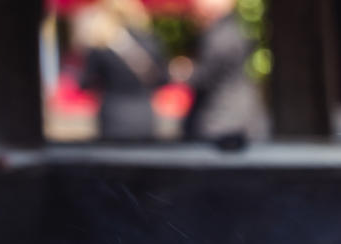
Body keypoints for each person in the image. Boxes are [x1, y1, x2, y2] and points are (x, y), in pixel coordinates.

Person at [75, 0, 167, 141]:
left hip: (113, 113)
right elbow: (162, 79)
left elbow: (86, 82)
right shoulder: (150, 41)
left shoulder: (101, 45)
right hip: (144, 113)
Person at [183, 0, 267, 142]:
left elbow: (207, 76)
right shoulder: (231, 29)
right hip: (232, 120)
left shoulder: (221, 34)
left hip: (224, 123)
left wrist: (185, 73)